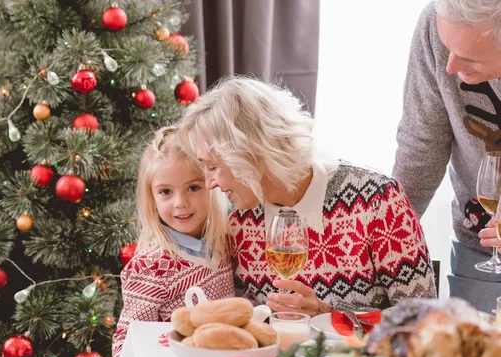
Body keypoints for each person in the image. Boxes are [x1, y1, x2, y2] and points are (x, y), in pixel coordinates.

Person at [178, 76, 437, 317]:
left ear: (250, 154)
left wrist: (329, 315)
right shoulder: (237, 219)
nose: (209, 183)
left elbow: (422, 319)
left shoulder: (377, 200)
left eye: (212, 166)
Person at [392, 0, 501, 312]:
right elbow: (421, 141)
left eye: (467, 57)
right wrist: (390, 229)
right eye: (447, 47)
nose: (449, 67)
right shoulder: (434, 24)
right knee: (472, 354)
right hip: (480, 240)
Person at [111, 126, 234, 357]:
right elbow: (128, 342)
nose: (180, 203)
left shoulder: (221, 242)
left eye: (193, 187)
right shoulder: (151, 265)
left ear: (211, 186)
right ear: (152, 198)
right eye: (166, 192)